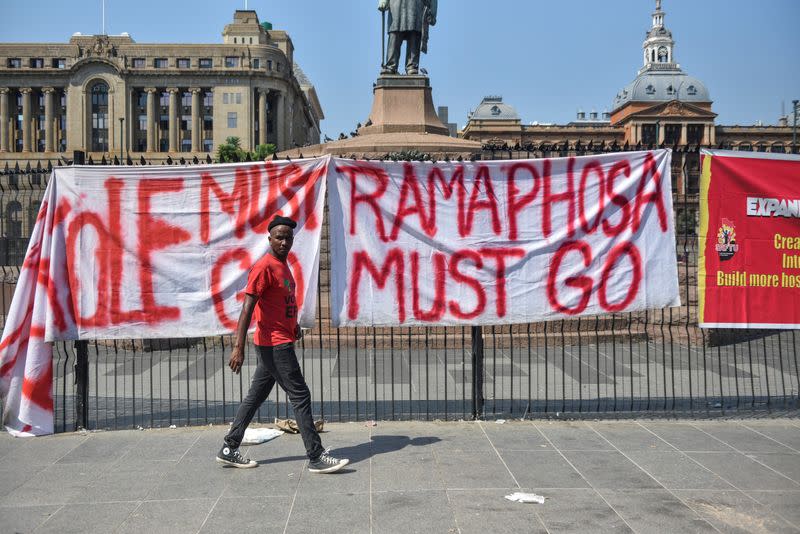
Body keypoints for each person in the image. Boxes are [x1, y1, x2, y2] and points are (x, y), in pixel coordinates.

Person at [216, 215, 349, 473]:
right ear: (269, 239)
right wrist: (238, 346)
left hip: (280, 339)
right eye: (279, 237)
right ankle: (316, 455)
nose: (284, 242)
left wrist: (294, 325)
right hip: (275, 345)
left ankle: (229, 448)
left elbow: (281, 305)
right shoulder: (264, 266)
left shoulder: (283, 266)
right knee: (300, 395)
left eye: (288, 237)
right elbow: (247, 308)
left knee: (255, 397)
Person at [379, 0, 437, 75]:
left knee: (414, 34)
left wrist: (432, 11)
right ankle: (391, 66)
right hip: (396, 6)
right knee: (394, 34)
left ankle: (412, 66)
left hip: (416, 7)